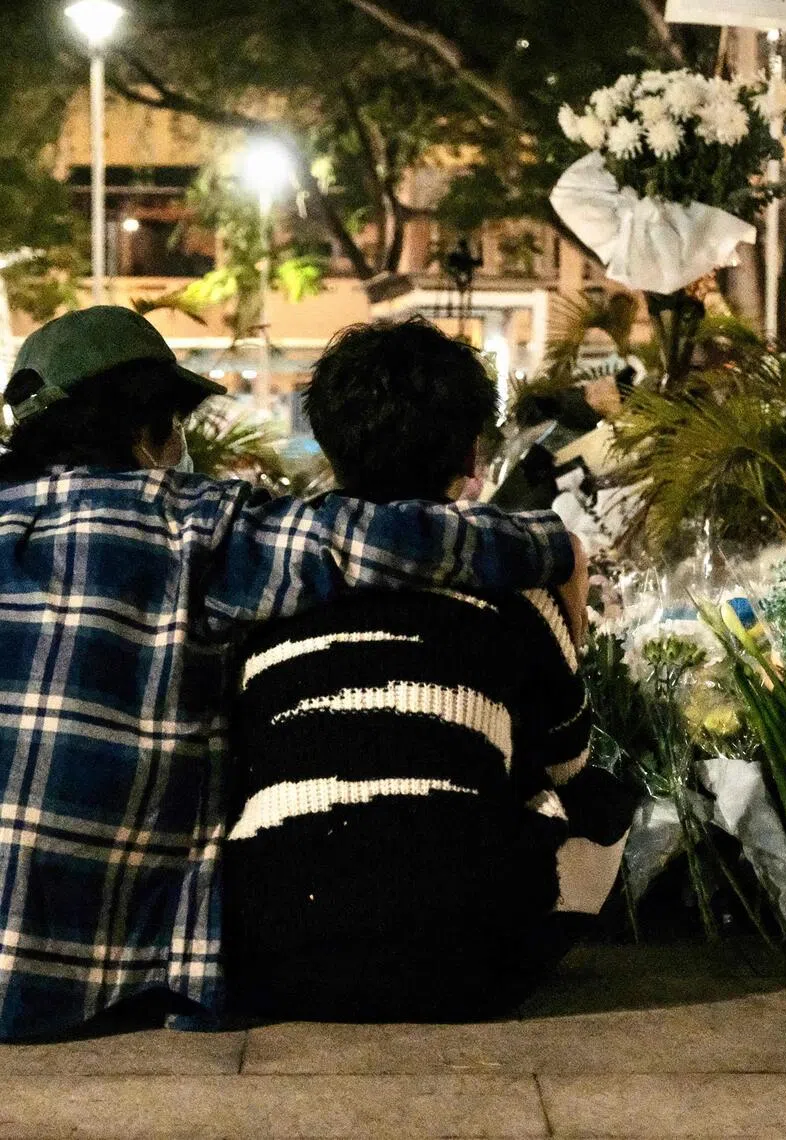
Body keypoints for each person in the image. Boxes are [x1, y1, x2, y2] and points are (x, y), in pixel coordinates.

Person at [0, 306, 583, 1041]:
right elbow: (375, 537)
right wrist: (552, 543)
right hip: (101, 975)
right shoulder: (199, 524)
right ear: (149, 427)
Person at [225, 318, 635, 1022]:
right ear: (473, 450)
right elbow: (570, 760)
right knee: (599, 801)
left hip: (268, 958)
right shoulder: (516, 588)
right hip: (466, 971)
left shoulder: (271, 583)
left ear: (328, 442)